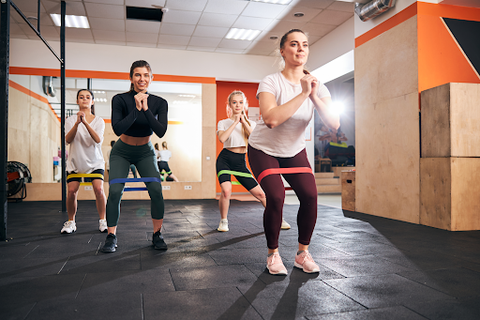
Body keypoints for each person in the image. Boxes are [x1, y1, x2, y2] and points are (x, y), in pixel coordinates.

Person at [248, 29, 340, 275]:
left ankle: (302, 253)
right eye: (294, 44)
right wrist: (302, 93)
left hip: (293, 150)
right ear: (282, 51)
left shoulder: (317, 85)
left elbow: (334, 124)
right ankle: (273, 255)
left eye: (305, 45)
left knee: (310, 195)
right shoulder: (271, 81)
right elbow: (271, 119)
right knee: (276, 197)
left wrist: (312, 94)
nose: (300, 49)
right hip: (263, 149)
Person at [101, 60, 168, 253]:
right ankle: (111, 235)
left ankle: (157, 234)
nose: (142, 79)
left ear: (151, 78)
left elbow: (161, 131)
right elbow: (118, 128)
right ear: (131, 78)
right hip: (122, 150)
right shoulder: (120, 99)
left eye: (146, 75)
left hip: (145, 152)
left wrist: (146, 109)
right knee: (115, 192)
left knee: (156, 191)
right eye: (138, 75)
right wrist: (136, 109)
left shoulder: (159, 103)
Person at [216, 91, 291, 232]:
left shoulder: (252, 124)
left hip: (240, 162)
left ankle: (278, 218)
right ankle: (223, 221)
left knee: (262, 194)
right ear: (230, 105)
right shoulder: (223, 122)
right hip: (225, 160)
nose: (238, 105)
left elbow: (255, 139)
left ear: (244, 104)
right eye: (234, 102)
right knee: (226, 191)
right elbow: (222, 139)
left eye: (240, 102)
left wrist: (243, 122)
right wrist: (234, 123)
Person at [61, 89, 107, 234]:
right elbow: (68, 140)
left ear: (92, 101)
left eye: (88, 97)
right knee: (71, 191)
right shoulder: (69, 120)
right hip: (76, 162)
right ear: (77, 101)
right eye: (81, 97)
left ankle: (103, 220)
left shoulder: (99, 121)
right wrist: (77, 123)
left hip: (95, 162)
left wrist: (85, 122)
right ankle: (71, 222)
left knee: (99, 190)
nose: (85, 99)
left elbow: (98, 140)